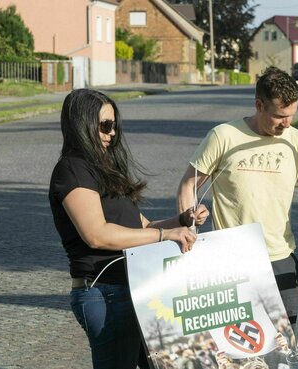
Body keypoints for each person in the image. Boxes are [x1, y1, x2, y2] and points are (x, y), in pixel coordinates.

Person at [177, 66, 298, 354]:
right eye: (280, 116)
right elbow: (187, 185)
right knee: (239, 352)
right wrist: (188, 225)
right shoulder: (224, 136)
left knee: (295, 348)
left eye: (292, 114)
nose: (287, 123)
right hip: (231, 262)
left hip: (280, 259)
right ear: (259, 105)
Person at [48, 88, 209, 369]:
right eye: (105, 125)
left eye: (115, 126)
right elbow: (96, 234)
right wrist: (164, 235)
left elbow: (142, 226)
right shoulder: (72, 170)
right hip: (105, 291)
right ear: (82, 125)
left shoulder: (105, 168)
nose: (112, 133)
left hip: (133, 288)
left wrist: (182, 220)